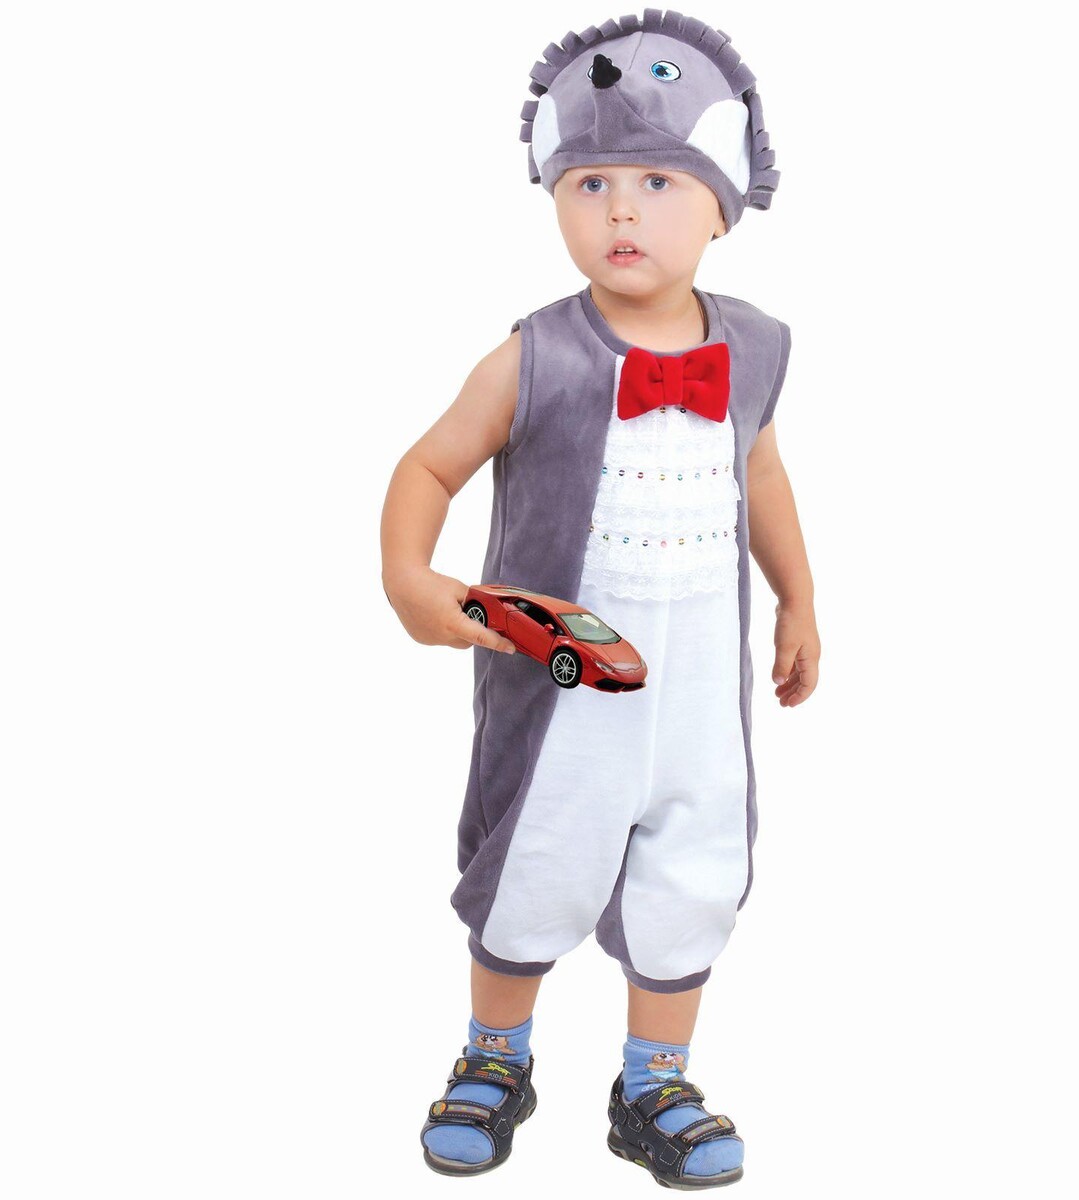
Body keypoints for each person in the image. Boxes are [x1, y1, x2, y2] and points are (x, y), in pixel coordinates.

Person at [380, 9, 820, 1188]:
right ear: (553, 194)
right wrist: (414, 578)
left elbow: (764, 476)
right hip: (561, 696)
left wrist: (798, 600)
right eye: (591, 184)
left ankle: (654, 1084)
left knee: (694, 873)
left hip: (697, 704)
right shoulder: (535, 355)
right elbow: (428, 466)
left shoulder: (756, 350)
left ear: (724, 201)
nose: (621, 211)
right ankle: (495, 1055)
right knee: (533, 863)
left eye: (658, 182)